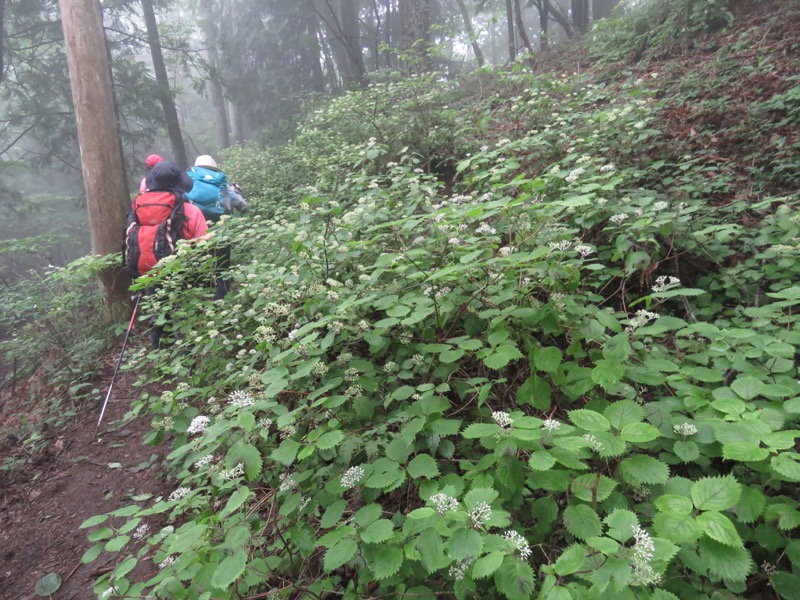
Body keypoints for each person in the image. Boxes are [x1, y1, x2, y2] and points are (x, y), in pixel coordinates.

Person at [126, 161, 208, 349]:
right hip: (181, 272)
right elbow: (203, 244)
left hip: (148, 270)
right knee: (182, 315)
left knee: (157, 311)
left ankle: (159, 353)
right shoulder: (190, 211)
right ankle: (185, 359)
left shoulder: (138, 208)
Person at [184, 155, 246, 299]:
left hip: (195, 232)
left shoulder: (187, 182)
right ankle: (221, 299)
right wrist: (235, 192)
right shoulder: (220, 182)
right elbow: (243, 207)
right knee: (222, 267)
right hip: (221, 231)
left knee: (196, 266)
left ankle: (197, 301)